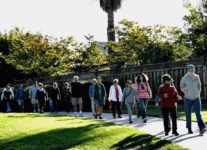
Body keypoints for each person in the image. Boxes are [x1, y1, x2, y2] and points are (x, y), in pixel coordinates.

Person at [180, 64, 206, 135]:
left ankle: (202, 128)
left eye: (193, 69)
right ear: (188, 70)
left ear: (194, 69)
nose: (191, 71)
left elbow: (199, 86)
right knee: (188, 114)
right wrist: (184, 90)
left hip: (196, 98)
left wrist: (198, 93)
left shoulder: (197, 77)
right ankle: (189, 128)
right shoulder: (184, 78)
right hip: (188, 99)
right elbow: (181, 87)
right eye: (190, 69)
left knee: (198, 113)